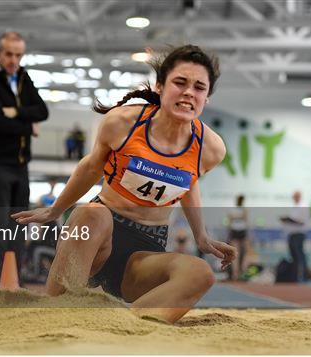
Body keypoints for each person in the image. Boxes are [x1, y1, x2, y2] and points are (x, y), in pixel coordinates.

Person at [12, 45, 236, 324]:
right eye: (180, 82)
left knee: (201, 273)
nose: (189, 92)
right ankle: (58, 317)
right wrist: (55, 210)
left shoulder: (211, 148)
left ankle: (124, 328)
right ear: (160, 86)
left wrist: (201, 236)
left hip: (145, 251)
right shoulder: (123, 123)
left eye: (199, 87)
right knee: (90, 213)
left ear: (206, 98)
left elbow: (189, 183)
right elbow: (90, 167)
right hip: (98, 235)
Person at [0, 31, 49, 288]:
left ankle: (13, 284)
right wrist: (28, 127)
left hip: (20, 166)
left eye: (18, 55)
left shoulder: (24, 78)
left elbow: (43, 110)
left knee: (20, 222)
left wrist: (16, 111)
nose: (14, 60)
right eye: (9, 54)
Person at [280, 191, 309, 282]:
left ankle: (303, 276)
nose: (294, 198)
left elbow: (301, 221)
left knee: (300, 255)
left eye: (295, 196)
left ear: (299, 197)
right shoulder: (294, 208)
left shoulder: (303, 207)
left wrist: (291, 220)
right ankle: (295, 277)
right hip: (292, 234)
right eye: (293, 197)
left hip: (299, 234)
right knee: (294, 257)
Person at [227, 194, 249, 280]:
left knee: (237, 252)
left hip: (238, 231)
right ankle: (237, 273)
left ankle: (238, 272)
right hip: (238, 231)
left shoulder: (236, 210)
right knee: (237, 253)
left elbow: (230, 221)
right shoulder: (242, 210)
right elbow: (245, 220)